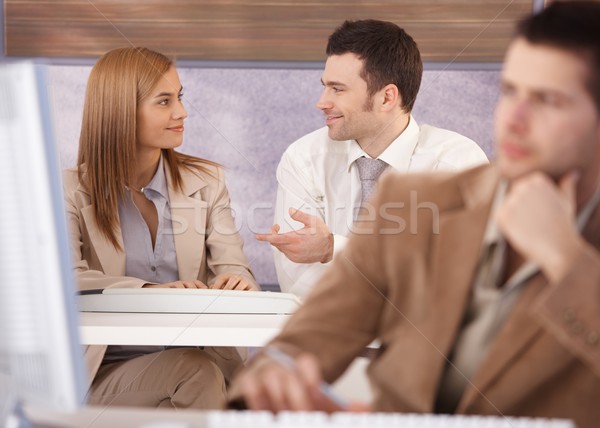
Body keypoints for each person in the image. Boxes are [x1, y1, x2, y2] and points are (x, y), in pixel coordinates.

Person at [229, 2, 600, 426]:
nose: (513, 119)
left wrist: (565, 259)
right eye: (510, 91)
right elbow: (304, 339)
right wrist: (278, 377)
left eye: (547, 100)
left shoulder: (456, 158)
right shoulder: (410, 199)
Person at [63, 47, 260, 409]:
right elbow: (66, 279)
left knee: (208, 378)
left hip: (199, 366)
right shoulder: (69, 189)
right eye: (164, 101)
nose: (181, 112)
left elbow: (232, 263)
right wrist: (153, 290)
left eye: (180, 97)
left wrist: (236, 279)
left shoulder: (207, 180)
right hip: (103, 371)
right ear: (120, 111)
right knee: (194, 374)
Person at [256, 19, 488, 298]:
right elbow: (298, 282)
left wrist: (333, 249)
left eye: (337, 89)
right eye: (325, 86)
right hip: (329, 337)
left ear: (387, 98)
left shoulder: (458, 162)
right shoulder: (303, 158)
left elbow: (458, 280)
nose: (321, 101)